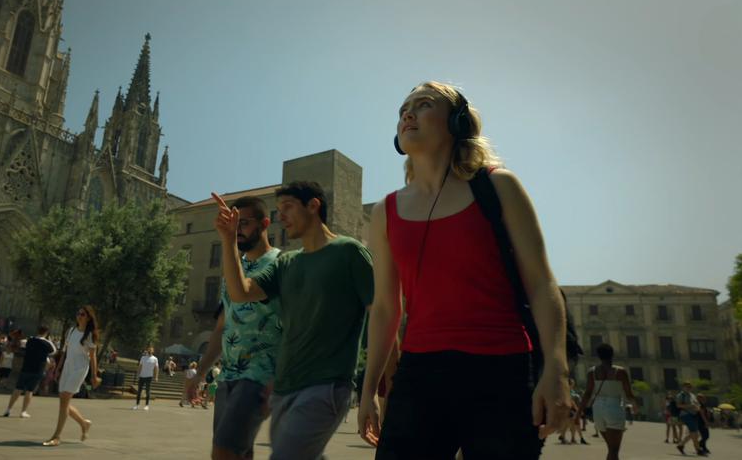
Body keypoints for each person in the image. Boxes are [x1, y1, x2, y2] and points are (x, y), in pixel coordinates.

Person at [358, 81, 571, 459]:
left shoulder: (498, 186)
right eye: (403, 109)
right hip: (419, 373)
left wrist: (557, 370)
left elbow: (542, 284)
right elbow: (386, 309)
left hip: (502, 370)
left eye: (424, 104)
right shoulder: (384, 211)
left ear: (458, 122)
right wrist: (370, 391)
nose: (408, 114)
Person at [212, 181, 373, 460]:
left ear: (313, 205)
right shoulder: (287, 264)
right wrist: (228, 239)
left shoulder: (350, 252)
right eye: (277, 210)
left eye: (287, 207)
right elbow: (240, 293)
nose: (280, 216)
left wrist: (376, 392)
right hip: (285, 389)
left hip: (327, 385)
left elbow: (383, 315)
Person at [198, 194, 283, 459]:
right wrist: (200, 372)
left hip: (258, 377)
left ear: (265, 223)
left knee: (223, 452)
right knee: (239, 453)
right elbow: (223, 326)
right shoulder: (236, 267)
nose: (237, 231)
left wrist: (278, 376)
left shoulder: (281, 264)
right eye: (234, 223)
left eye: (243, 223)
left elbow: (295, 325)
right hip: (227, 379)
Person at [43, 306, 100, 447]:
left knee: (64, 399)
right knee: (64, 402)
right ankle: (84, 423)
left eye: (82, 314)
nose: (79, 316)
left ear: (88, 317)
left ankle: (56, 436)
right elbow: (65, 351)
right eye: (78, 313)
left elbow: (93, 357)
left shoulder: (90, 335)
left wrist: (94, 375)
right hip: (68, 367)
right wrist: (58, 368)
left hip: (80, 369)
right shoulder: (72, 331)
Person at [580, 343, 636, 460]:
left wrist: (578, 413)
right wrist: (635, 405)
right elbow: (629, 394)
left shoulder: (592, 372)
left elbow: (587, 393)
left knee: (611, 448)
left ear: (599, 356)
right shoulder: (620, 372)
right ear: (612, 355)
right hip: (614, 406)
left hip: (598, 409)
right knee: (614, 450)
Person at [5, 326, 56, 418]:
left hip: (26, 368)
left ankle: (8, 409)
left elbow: (19, 344)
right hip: (38, 369)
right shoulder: (48, 343)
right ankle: (23, 411)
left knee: (18, 389)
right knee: (29, 391)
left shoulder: (29, 340)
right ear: (47, 333)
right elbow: (53, 351)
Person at [675, 382, 706, 456]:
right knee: (694, 432)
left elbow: (697, 403)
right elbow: (678, 405)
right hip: (686, 415)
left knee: (695, 433)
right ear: (683, 387)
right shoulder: (680, 395)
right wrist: (690, 406)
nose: (688, 388)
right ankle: (698, 450)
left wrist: (697, 407)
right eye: (687, 386)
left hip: (694, 415)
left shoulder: (692, 395)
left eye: (690, 387)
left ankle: (681, 445)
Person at [133, 346, 159, 411]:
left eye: (151, 350)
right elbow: (140, 366)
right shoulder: (143, 358)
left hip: (149, 377)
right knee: (139, 391)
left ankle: (146, 405)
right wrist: (138, 374)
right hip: (142, 376)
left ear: (153, 351)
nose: (150, 351)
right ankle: (137, 405)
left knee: (148, 391)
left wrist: (156, 377)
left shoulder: (155, 359)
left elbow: (156, 369)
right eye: (149, 350)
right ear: (147, 350)